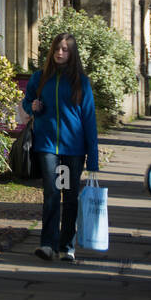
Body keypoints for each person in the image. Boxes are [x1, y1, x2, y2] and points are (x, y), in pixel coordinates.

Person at [22, 32, 99, 262]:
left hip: (73, 150)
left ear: (72, 53)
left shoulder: (80, 82)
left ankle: (67, 246)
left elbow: (89, 120)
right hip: (47, 147)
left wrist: (93, 158)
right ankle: (48, 245)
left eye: (65, 49)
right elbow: (27, 101)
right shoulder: (40, 77)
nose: (60, 53)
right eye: (57, 49)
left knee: (70, 196)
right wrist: (32, 105)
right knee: (52, 194)